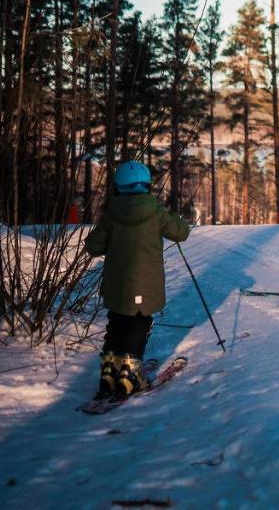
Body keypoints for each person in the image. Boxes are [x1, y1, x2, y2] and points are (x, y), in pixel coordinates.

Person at [84, 160, 190, 400]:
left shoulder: (112, 213)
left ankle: (109, 372)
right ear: (147, 186)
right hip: (145, 284)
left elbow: (93, 246)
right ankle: (130, 377)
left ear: (118, 187)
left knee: (117, 324)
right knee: (137, 326)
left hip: (116, 286)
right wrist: (173, 215)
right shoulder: (157, 212)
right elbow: (181, 233)